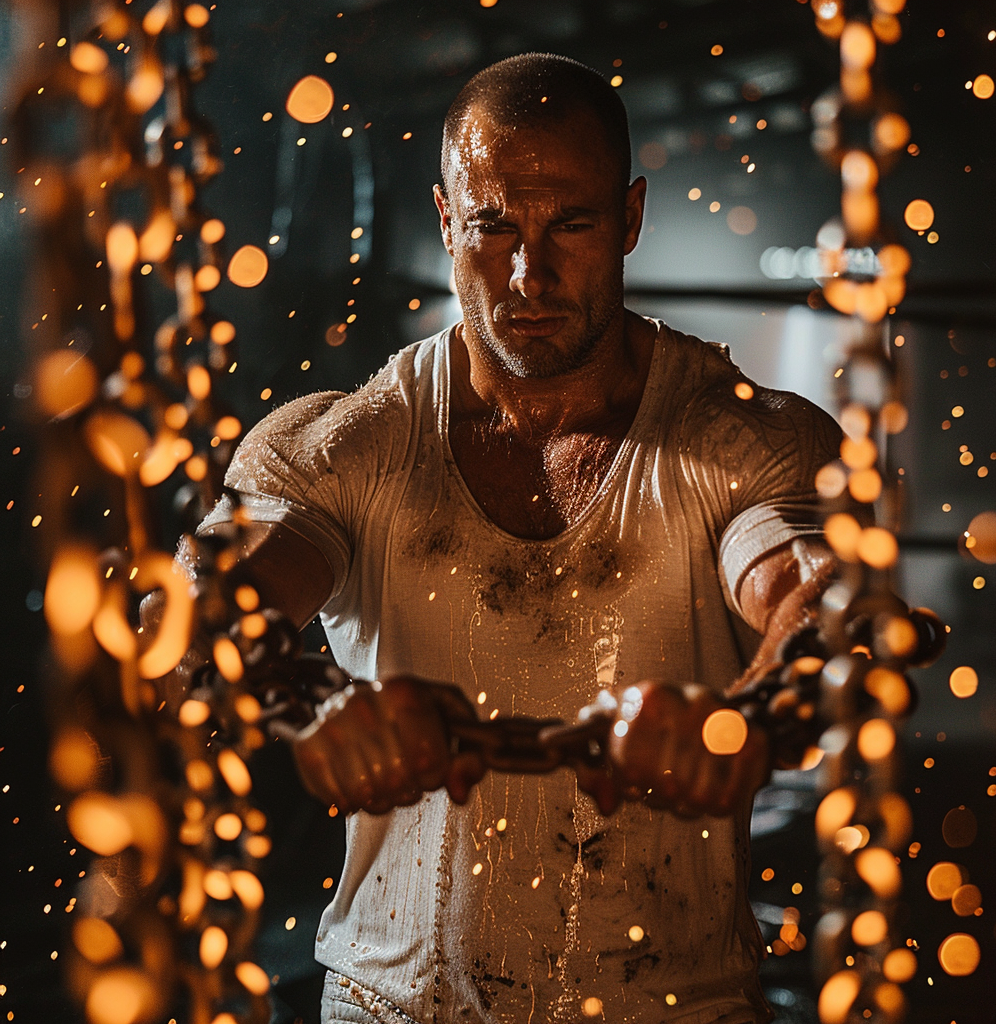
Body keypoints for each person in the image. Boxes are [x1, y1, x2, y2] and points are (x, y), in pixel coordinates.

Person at [194, 53, 841, 1024]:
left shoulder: (738, 437)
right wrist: (308, 700)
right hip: (395, 1003)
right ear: (449, 221)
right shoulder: (340, 443)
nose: (529, 274)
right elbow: (196, 617)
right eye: (493, 227)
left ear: (626, 219)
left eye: (570, 225)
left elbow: (821, 600)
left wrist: (749, 716)